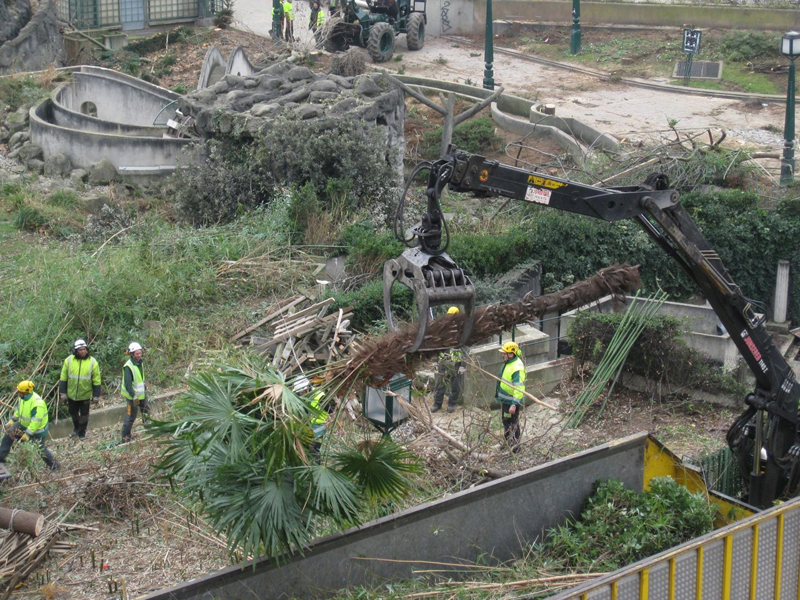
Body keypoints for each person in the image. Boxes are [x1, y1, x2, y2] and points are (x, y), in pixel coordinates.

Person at [0, 381, 58, 470]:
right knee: (8, 436)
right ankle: (1, 458)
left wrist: (28, 434)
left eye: (19, 392)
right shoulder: (22, 398)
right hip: (23, 424)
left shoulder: (37, 403)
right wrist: (13, 419)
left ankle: (55, 466)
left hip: (37, 431)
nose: (18, 393)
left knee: (41, 450)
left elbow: (36, 422)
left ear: (26, 392)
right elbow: (19, 409)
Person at [59, 338, 101, 439]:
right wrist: (63, 393)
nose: (82, 351)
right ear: (76, 351)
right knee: (73, 413)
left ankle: (82, 432)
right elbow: (63, 377)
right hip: (72, 394)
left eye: (84, 349)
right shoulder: (69, 361)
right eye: (80, 350)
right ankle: (76, 428)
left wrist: (96, 395)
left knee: (84, 415)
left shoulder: (92, 362)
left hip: (85, 394)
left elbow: (97, 380)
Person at [431, 307, 466, 414]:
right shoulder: (443, 330)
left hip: (456, 364)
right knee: (440, 384)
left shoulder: (462, 331)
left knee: (455, 386)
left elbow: (465, 349)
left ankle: (451, 404)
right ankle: (437, 404)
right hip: (443, 363)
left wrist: (463, 366)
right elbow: (436, 346)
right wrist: (435, 361)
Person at [495, 341, 526, 453]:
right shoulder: (509, 363)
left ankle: (515, 447)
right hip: (506, 400)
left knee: (513, 423)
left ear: (511, 354)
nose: (503, 355)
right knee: (506, 422)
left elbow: (519, 388)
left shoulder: (517, 367)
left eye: (505, 353)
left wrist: (514, 404)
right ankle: (508, 442)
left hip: (511, 402)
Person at [120, 342, 147, 443]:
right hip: (133, 397)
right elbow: (127, 384)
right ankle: (125, 437)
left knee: (146, 411)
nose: (139, 355)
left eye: (140, 353)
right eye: (137, 354)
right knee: (131, 415)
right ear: (132, 354)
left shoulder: (140, 362)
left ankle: (148, 429)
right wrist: (133, 396)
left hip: (142, 394)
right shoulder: (128, 367)